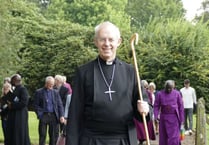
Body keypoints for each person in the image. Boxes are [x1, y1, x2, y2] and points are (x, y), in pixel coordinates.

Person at [65, 21, 150, 145]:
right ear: (95, 42)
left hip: (124, 140)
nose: (107, 44)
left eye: (111, 40)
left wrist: (145, 109)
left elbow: (144, 106)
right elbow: (75, 115)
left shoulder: (131, 71)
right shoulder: (83, 72)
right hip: (91, 140)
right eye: (102, 40)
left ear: (119, 42)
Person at [33, 76, 65, 145]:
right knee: (42, 134)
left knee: (53, 136)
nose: (51, 86)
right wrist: (40, 114)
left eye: (52, 84)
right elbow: (35, 105)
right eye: (50, 84)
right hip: (44, 115)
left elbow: (60, 105)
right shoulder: (39, 92)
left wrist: (62, 115)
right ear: (46, 83)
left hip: (53, 116)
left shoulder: (55, 92)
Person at [154, 80, 184, 145]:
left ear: (173, 87)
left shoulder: (177, 93)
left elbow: (181, 107)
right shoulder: (159, 94)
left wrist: (182, 119)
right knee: (163, 136)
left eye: (170, 88)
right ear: (165, 87)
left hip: (174, 118)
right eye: (167, 88)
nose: (169, 89)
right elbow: (156, 106)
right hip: (164, 118)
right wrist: (156, 116)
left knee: (174, 137)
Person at [6, 74, 31, 145]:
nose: (10, 82)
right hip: (14, 115)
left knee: (19, 132)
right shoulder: (15, 89)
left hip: (20, 115)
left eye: (11, 80)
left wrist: (12, 105)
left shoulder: (23, 89)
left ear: (15, 80)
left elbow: (24, 103)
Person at [134, 80, 156, 145]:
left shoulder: (149, 93)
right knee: (140, 128)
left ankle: (146, 139)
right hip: (139, 113)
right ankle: (141, 140)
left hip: (147, 113)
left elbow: (151, 102)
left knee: (147, 128)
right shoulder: (137, 93)